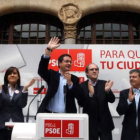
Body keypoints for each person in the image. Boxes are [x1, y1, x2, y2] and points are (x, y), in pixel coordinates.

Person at [37, 37, 84, 114]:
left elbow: (80, 97)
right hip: (49, 113)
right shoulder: (52, 75)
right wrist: (49, 49)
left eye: (70, 62)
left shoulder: (74, 79)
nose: (69, 63)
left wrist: (70, 84)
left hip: (67, 115)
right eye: (66, 61)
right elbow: (41, 70)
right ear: (59, 63)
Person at [80, 63, 115, 140]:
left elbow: (112, 100)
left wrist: (107, 91)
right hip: (90, 123)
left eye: (96, 69)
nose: (94, 71)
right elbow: (81, 103)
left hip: (105, 123)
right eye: (92, 69)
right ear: (86, 73)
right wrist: (90, 95)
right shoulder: (82, 86)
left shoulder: (104, 83)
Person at [0, 66, 35, 140]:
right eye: (10, 73)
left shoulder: (22, 89)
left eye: (14, 73)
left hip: (17, 125)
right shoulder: (1, 88)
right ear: (6, 77)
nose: (12, 75)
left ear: (18, 76)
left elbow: (22, 105)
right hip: (2, 124)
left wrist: (25, 89)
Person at [116, 69, 140, 140]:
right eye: (130, 77)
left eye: (134, 77)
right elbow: (119, 111)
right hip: (129, 131)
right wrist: (129, 101)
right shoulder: (124, 93)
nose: (131, 79)